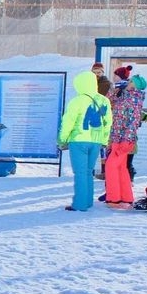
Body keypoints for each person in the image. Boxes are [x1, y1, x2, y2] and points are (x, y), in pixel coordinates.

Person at [58, 70, 111, 211]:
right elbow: (108, 122)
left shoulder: (77, 101)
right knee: (88, 172)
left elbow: (68, 121)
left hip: (79, 140)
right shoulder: (104, 100)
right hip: (96, 140)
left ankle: (80, 204)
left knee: (80, 173)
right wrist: (104, 140)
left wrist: (62, 139)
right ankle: (88, 201)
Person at [105, 74, 146, 208]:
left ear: (135, 84)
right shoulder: (124, 95)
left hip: (123, 139)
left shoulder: (135, 98)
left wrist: (126, 140)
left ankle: (114, 199)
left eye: (131, 80)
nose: (128, 81)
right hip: (116, 136)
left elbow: (133, 121)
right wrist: (114, 91)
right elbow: (108, 102)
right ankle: (126, 198)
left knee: (111, 166)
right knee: (121, 168)